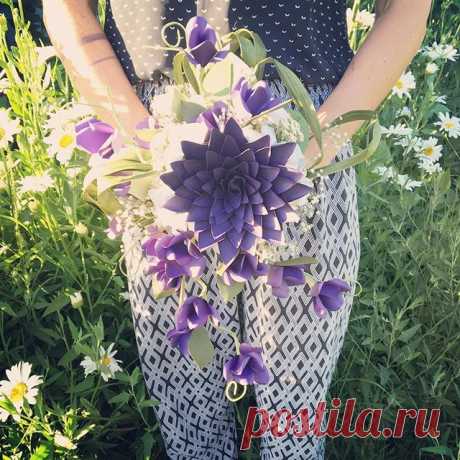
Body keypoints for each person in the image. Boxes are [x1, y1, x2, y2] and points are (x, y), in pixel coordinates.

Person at [43, 1, 431, 458]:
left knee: (295, 408)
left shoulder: (309, 143)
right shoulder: (154, 142)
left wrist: (314, 148)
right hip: (158, 139)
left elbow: (405, 9)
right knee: (188, 408)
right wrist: (148, 140)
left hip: (302, 128)